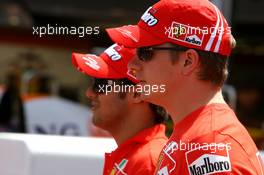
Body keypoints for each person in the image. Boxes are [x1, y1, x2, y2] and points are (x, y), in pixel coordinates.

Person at [105, 0, 264, 174]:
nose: (131, 66)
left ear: (188, 61)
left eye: (145, 52)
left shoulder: (210, 145)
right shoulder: (196, 136)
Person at [72, 43, 168, 175]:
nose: (89, 93)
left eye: (101, 84)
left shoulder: (148, 162)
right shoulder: (135, 156)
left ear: (137, 94)